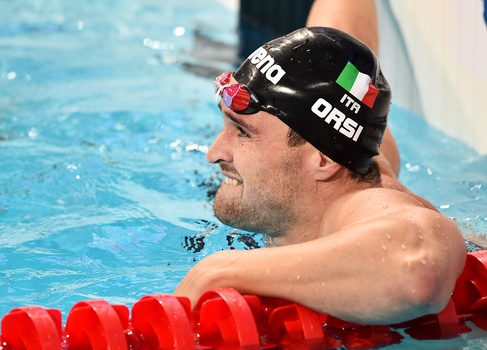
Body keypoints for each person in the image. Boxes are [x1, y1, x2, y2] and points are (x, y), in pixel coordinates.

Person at [173, 0, 467, 325]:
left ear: (322, 159)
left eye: (243, 132)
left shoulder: (366, 205)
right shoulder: (356, 148)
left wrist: (219, 270)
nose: (213, 152)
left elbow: (416, 269)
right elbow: (342, 37)